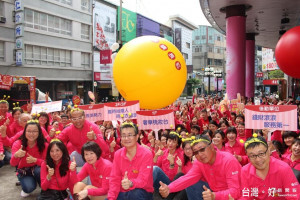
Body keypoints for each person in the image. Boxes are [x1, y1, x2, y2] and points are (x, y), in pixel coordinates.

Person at [159, 135, 242, 200]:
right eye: (196, 152)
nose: (200, 154)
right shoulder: (199, 162)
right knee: (192, 183)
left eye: (202, 149)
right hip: (213, 192)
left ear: (212, 146)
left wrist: (214, 196)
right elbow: (188, 178)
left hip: (234, 196)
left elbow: (236, 191)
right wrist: (169, 188)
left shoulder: (228, 160)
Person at [240, 134, 299, 199]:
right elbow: (246, 196)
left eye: (261, 153)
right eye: (252, 156)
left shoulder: (284, 169)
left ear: (268, 151)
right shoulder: (245, 171)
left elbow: (294, 197)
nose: (258, 159)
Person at [107, 122, 153, 200]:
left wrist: (131, 183)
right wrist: (111, 198)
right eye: (123, 135)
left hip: (142, 192)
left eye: (130, 135)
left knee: (134, 193)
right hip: (123, 193)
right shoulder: (118, 154)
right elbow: (114, 179)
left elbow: (143, 180)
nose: (126, 138)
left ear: (137, 137)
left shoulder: (146, 154)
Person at [10, 119, 48, 197]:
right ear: (24, 132)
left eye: (34, 131)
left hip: (39, 169)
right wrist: (16, 156)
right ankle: (26, 181)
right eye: (29, 131)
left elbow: (47, 162)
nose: (31, 134)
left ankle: (43, 185)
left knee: (39, 170)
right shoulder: (18, 144)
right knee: (28, 188)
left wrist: (35, 160)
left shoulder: (44, 144)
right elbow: (12, 163)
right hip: (24, 170)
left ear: (39, 133)